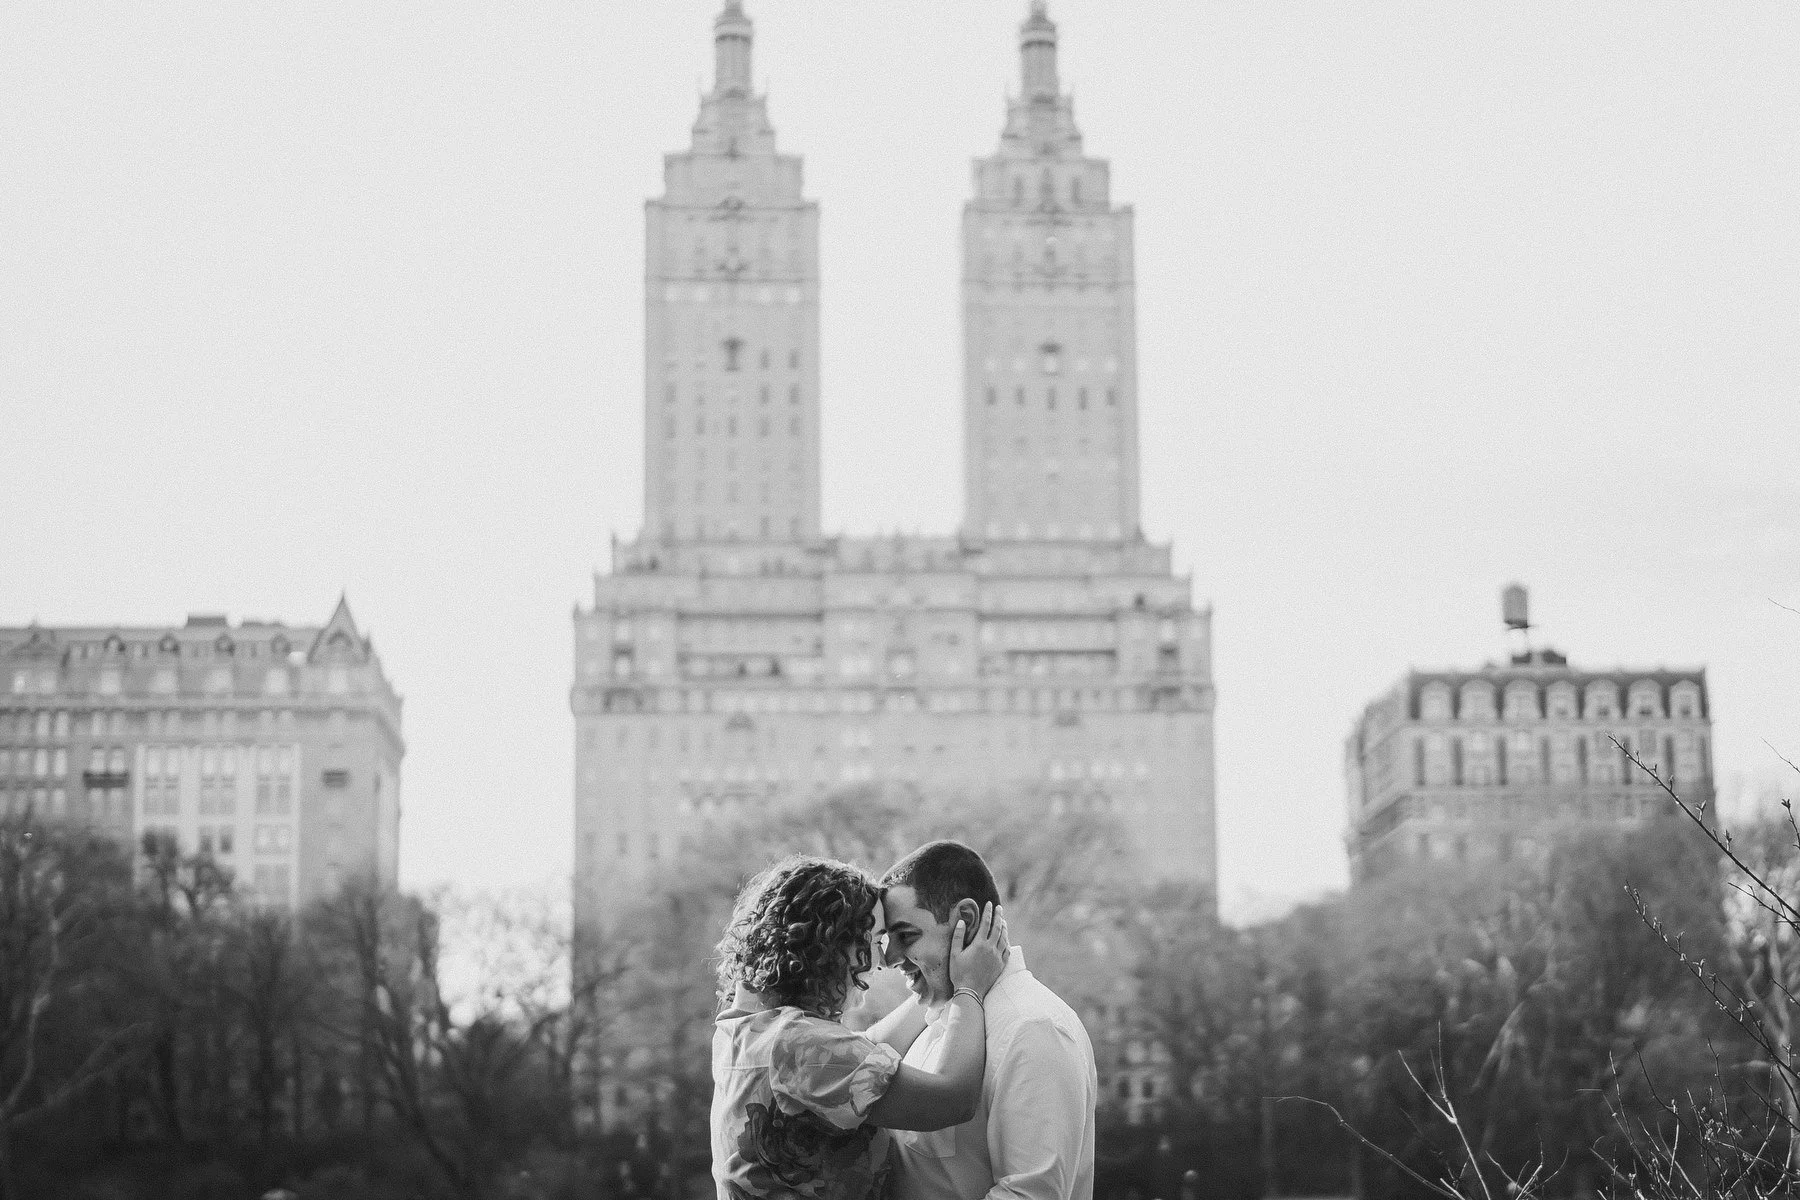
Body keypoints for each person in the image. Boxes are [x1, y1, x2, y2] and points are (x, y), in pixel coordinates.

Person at [711, 855, 1008, 1200]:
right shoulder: (802, 1048)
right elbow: (953, 1098)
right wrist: (970, 987)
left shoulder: (743, 1030)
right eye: (876, 938)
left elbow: (860, 1053)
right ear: (831, 944)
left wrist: (935, 980)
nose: (882, 959)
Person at [871, 841, 1098, 1200]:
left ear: (967, 920)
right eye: (886, 939)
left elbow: (1028, 1196)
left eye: (906, 935)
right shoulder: (936, 1015)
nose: (889, 957)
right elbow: (850, 1057)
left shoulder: (1033, 1028)